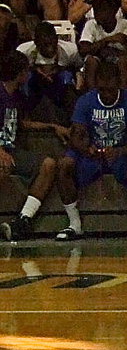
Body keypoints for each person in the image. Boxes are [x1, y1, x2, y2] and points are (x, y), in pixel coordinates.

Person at [55, 59, 127, 241]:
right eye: (102, 89)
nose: (106, 94)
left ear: (119, 84)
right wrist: (86, 148)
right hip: (93, 153)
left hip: (121, 151)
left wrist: (120, 151)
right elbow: (75, 135)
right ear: (96, 84)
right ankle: (74, 224)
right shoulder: (86, 101)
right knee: (64, 164)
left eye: (111, 90)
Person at [0, 50, 59, 241]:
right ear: (19, 73)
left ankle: (23, 219)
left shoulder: (17, 96)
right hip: (2, 150)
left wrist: (53, 126)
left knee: (48, 164)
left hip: (11, 150)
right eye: (26, 71)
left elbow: (21, 123)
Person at [78, 0, 127, 92]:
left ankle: (124, 95)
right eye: (95, 8)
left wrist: (117, 53)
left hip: (119, 65)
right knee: (90, 61)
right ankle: (92, 96)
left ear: (114, 9)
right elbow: (83, 50)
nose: (96, 12)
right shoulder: (91, 24)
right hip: (99, 65)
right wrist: (108, 40)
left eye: (101, 8)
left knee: (123, 61)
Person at [18, 22, 80, 126]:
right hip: (35, 83)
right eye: (45, 45)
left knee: (67, 77)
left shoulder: (69, 50)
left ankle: (72, 120)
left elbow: (78, 68)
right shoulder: (24, 51)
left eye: (53, 43)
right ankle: (26, 117)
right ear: (36, 43)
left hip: (59, 81)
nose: (50, 49)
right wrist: (39, 72)